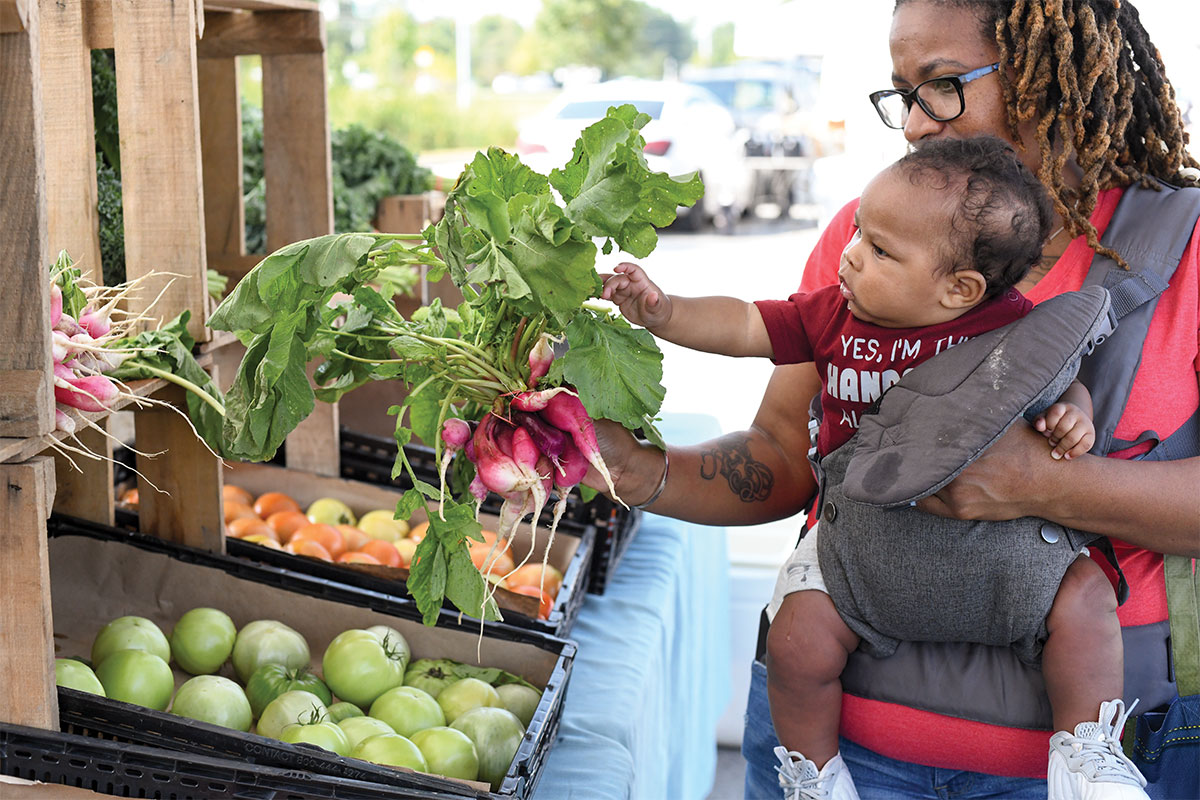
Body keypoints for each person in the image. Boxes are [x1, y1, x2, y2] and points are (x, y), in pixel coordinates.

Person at [581, 1, 1200, 798]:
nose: (912, 125)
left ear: (1054, 83)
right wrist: (646, 475)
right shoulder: (868, 236)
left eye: (943, 86)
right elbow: (781, 455)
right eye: (901, 92)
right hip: (835, 753)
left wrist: (1037, 483)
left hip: (1077, 771)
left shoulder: (1182, 246)